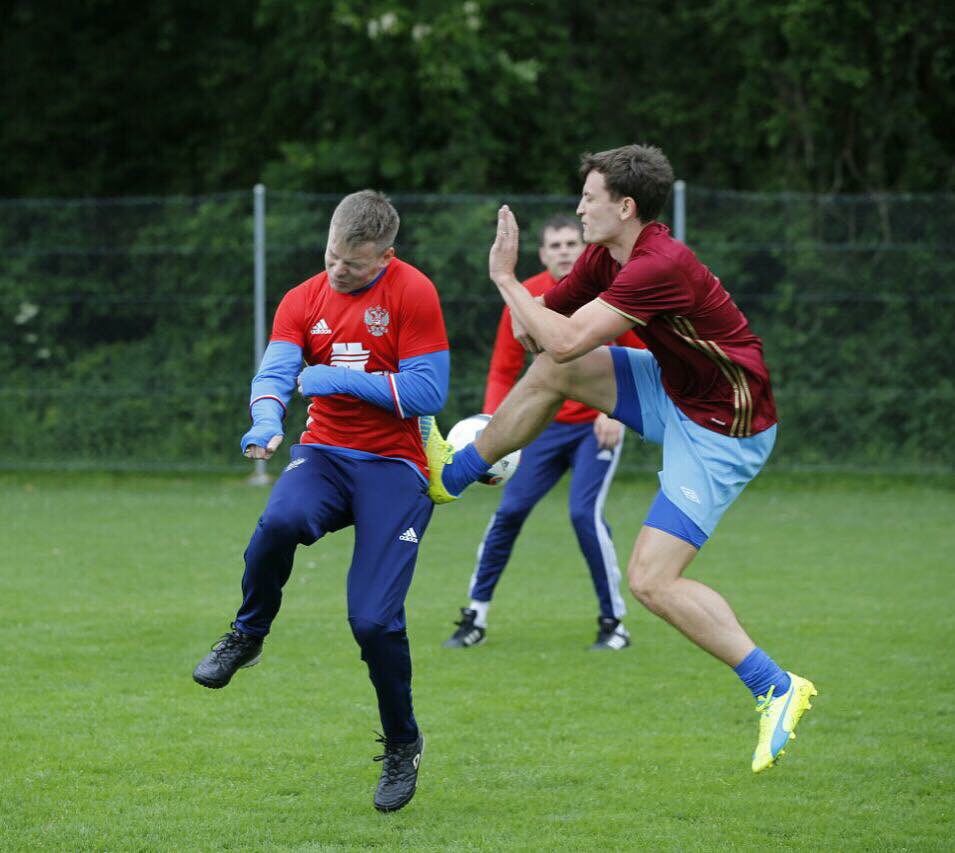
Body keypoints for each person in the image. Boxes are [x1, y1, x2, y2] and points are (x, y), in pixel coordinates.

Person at [420, 145, 818, 773]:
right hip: (676, 390)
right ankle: (452, 476)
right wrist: (525, 306)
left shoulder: (660, 264)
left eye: (589, 197)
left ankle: (775, 686)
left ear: (625, 206)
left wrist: (504, 278)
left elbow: (569, 335)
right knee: (554, 370)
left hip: (724, 431)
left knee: (651, 581)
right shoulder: (608, 256)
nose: (578, 207)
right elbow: (542, 333)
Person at [192, 190, 449, 812]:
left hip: (395, 467)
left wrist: (336, 378)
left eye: (354, 264)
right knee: (279, 520)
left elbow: (427, 389)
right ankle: (247, 634)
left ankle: (402, 743)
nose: (339, 271)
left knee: (372, 621)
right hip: (326, 453)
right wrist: (264, 417)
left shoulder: (414, 293)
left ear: (386, 255)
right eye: (333, 256)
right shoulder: (303, 298)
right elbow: (277, 370)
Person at [443, 214, 644, 651]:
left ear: (584, 246)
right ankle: (474, 616)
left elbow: (639, 355)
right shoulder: (526, 296)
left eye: (572, 242)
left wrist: (617, 412)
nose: (564, 251)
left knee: (583, 513)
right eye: (554, 245)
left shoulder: (608, 288)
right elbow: (502, 370)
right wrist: (493, 428)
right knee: (509, 512)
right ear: (542, 253)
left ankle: (614, 624)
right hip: (542, 427)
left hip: (596, 425)